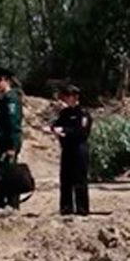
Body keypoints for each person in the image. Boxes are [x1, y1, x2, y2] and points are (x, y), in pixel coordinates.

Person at [50, 84, 92, 216]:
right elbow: (56, 125)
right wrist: (55, 130)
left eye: (68, 96)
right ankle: (66, 208)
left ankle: (82, 209)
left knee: (80, 179)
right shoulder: (65, 113)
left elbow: (82, 131)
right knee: (66, 179)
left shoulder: (83, 113)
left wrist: (65, 131)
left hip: (79, 148)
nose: (65, 99)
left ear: (75, 97)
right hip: (67, 148)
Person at [0, 67, 23, 212]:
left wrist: (13, 146)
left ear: (6, 80)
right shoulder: (1, 100)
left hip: (8, 144)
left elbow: (13, 124)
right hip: (1, 143)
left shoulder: (11, 99)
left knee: (8, 176)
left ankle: (11, 206)